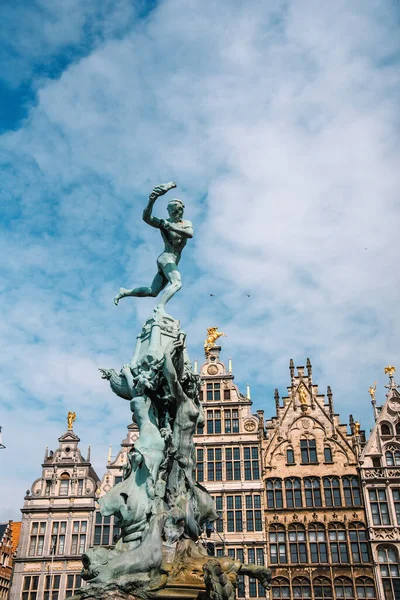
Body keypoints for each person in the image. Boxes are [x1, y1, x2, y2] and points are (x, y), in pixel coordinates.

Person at [114, 182, 193, 312]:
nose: (177, 211)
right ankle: (160, 307)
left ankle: (125, 292)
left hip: (173, 260)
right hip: (166, 258)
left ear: (181, 209)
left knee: (153, 291)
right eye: (173, 209)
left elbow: (190, 234)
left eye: (178, 208)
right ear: (171, 211)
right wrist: (152, 200)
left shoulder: (185, 223)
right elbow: (146, 218)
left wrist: (172, 227)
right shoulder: (164, 223)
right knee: (177, 283)